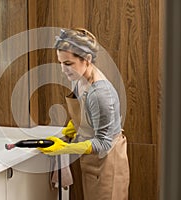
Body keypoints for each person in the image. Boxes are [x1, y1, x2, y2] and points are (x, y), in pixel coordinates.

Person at [38, 28, 130, 200]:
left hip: (108, 161)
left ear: (87, 59)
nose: (62, 69)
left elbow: (103, 143)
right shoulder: (80, 80)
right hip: (91, 158)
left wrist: (64, 148)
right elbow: (84, 113)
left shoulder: (100, 93)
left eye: (68, 63)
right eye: (60, 62)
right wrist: (70, 129)